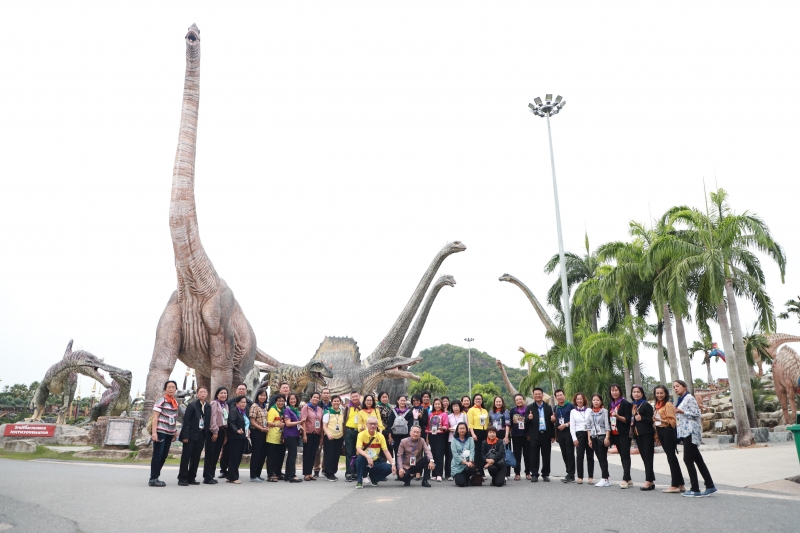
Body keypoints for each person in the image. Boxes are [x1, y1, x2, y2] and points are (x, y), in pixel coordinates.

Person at [673, 380, 716, 497]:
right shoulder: (681, 400)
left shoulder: (689, 398)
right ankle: (710, 485)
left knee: (688, 459)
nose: (675, 388)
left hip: (691, 432)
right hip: (685, 432)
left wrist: (682, 411)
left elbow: (697, 413)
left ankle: (695, 489)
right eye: (674, 387)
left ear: (684, 387)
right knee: (698, 460)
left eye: (677, 386)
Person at [653, 385, 685, 493]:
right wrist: (657, 436)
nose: (659, 395)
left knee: (671, 458)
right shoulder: (657, 405)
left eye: (661, 393)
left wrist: (661, 420)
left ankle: (674, 484)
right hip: (661, 432)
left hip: (668, 432)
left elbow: (672, 422)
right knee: (671, 458)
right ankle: (681, 484)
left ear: (666, 393)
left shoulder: (668, 404)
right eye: (657, 393)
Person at [149, 380, 179, 487]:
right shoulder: (161, 400)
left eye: (173, 387)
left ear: (176, 389)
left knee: (164, 455)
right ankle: (153, 478)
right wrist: (154, 432)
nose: (171, 389)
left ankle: (156, 476)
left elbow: (174, 418)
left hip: (169, 433)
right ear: (165, 389)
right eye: (169, 387)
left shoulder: (175, 402)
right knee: (158, 454)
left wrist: (175, 432)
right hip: (161, 431)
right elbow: (155, 417)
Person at [219, 383, 252, 479]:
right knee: (226, 452)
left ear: (246, 391)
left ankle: (232, 471)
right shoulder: (229, 402)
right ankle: (223, 470)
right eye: (240, 389)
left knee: (237, 454)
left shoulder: (249, 403)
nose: (241, 391)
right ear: (236, 391)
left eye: (243, 389)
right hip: (231, 433)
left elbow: (248, 418)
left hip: (242, 433)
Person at [178, 386, 209, 486]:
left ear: (207, 394)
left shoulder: (208, 406)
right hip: (190, 435)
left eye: (205, 392)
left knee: (196, 457)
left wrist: (206, 436)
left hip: (201, 434)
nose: (203, 394)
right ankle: (182, 478)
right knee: (186, 457)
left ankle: (192, 477)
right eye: (201, 392)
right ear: (197, 394)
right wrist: (185, 435)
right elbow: (186, 421)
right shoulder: (192, 405)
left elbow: (207, 422)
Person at [354, 416, 396, 488]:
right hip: (364, 460)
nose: (373, 426)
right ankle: (359, 481)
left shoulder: (380, 436)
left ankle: (374, 478)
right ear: (367, 424)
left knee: (390, 468)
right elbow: (358, 449)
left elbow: (386, 451)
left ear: (377, 425)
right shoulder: (361, 434)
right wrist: (368, 457)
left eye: (375, 424)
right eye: (370, 424)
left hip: (375, 461)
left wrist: (393, 464)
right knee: (360, 458)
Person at [525, 387, 554, 482]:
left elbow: (551, 422)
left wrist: (552, 435)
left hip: (545, 434)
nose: (537, 395)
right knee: (534, 455)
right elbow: (525, 422)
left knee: (546, 455)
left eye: (539, 394)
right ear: (533, 396)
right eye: (535, 394)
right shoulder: (529, 407)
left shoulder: (548, 407)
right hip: (534, 435)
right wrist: (529, 418)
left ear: (542, 395)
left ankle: (545, 474)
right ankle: (534, 474)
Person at [630, 384, 656, 491]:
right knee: (644, 457)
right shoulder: (632, 406)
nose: (636, 394)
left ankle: (648, 480)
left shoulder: (646, 405)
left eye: (638, 392)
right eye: (634, 392)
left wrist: (642, 418)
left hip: (647, 434)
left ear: (642, 393)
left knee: (648, 457)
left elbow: (651, 420)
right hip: (637, 434)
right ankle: (651, 480)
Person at [608, 383, 633, 488]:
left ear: (620, 391)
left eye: (616, 390)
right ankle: (629, 478)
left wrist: (618, 416)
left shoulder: (625, 403)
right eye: (612, 390)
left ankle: (625, 479)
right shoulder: (610, 404)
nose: (614, 392)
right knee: (622, 456)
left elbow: (627, 420)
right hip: (614, 434)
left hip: (624, 433)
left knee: (625, 455)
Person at [202, 387, 229, 484]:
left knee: (216, 454)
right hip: (214, 431)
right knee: (210, 454)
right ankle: (207, 477)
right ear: (217, 394)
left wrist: (225, 434)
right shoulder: (214, 403)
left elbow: (225, 420)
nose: (223, 395)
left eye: (225, 393)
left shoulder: (225, 405)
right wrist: (215, 431)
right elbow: (212, 418)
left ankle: (211, 475)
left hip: (222, 431)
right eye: (221, 393)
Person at [569, 392, 594, 485]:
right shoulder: (573, 412)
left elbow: (592, 423)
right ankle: (580, 477)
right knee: (579, 456)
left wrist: (591, 437)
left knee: (590, 456)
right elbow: (572, 426)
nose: (579, 400)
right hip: (579, 434)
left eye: (581, 399)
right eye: (577, 399)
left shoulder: (590, 410)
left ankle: (590, 477)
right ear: (575, 401)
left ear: (584, 400)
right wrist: (574, 438)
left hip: (589, 434)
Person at [587, 393, 611, 487]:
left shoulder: (604, 411)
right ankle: (607, 478)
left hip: (602, 437)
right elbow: (588, 426)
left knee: (603, 458)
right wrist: (589, 439)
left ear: (601, 401)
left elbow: (607, 425)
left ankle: (604, 478)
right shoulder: (591, 412)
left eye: (597, 400)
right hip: (593, 437)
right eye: (594, 400)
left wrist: (607, 437)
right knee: (599, 458)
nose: (595, 402)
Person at [225, 395, 250, 484]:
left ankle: (229, 475)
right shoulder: (234, 411)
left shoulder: (244, 412)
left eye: (245, 402)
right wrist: (236, 430)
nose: (244, 404)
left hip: (242, 437)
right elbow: (231, 422)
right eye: (242, 402)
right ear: (237, 403)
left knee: (238, 457)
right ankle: (234, 477)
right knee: (235, 457)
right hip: (235, 437)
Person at [552, 389, 575, 483]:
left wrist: (566, 424)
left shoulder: (571, 406)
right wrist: (553, 420)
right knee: (564, 453)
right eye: (557, 396)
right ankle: (568, 472)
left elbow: (574, 419)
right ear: (555, 397)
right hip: (560, 432)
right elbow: (554, 420)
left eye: (561, 395)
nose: (559, 397)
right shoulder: (555, 408)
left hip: (569, 431)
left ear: (564, 396)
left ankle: (571, 474)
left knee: (570, 453)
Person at [248, 388, 269, 482]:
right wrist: (261, 429)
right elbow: (252, 422)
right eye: (261, 395)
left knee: (262, 453)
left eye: (264, 395)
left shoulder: (265, 407)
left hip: (264, 432)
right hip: (257, 432)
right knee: (256, 453)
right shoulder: (254, 406)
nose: (262, 397)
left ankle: (258, 474)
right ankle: (253, 475)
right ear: (257, 396)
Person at [426, 398, 449, 482]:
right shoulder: (430, 415)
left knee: (439, 455)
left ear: (441, 405)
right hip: (432, 435)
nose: (437, 405)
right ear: (433, 405)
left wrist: (442, 427)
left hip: (440, 436)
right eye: (436, 404)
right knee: (433, 455)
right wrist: (427, 437)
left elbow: (446, 425)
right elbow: (428, 427)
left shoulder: (444, 414)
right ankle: (434, 474)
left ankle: (439, 474)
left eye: (439, 404)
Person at [283, 392, 305, 483]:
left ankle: (288, 475)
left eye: (294, 399)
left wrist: (300, 427)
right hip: (289, 435)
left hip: (295, 435)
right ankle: (292, 475)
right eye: (291, 399)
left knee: (291, 455)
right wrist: (300, 422)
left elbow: (296, 422)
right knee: (292, 455)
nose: (293, 400)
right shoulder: (287, 410)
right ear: (288, 400)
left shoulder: (295, 410)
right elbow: (288, 423)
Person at [301, 392, 323, 481]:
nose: (316, 399)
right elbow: (303, 421)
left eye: (318, 397)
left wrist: (321, 437)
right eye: (314, 397)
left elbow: (321, 423)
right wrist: (304, 435)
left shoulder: (320, 409)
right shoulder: (306, 407)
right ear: (311, 397)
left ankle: (310, 473)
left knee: (313, 454)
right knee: (307, 453)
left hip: (316, 434)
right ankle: (306, 473)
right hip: (308, 433)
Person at [322, 395, 345, 481]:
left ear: (340, 402)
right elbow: (324, 425)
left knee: (336, 455)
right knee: (329, 455)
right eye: (334, 401)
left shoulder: (342, 411)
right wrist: (328, 434)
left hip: (339, 437)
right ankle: (329, 473)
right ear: (331, 402)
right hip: (330, 437)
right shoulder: (327, 412)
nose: (336, 403)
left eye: (338, 401)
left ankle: (333, 472)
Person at [509, 393, 531, 481]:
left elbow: (531, 423)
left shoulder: (529, 410)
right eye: (517, 400)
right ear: (515, 402)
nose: (519, 401)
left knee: (528, 455)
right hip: (516, 436)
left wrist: (529, 434)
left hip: (527, 436)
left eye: (520, 399)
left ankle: (528, 473)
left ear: (523, 400)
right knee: (517, 455)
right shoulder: (513, 411)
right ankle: (517, 473)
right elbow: (510, 423)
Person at [342, 391, 362, 482]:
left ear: (359, 397)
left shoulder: (362, 407)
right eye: (353, 397)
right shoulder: (347, 407)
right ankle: (349, 473)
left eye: (356, 396)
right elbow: (344, 419)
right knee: (349, 453)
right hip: (349, 431)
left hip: (360, 432)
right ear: (351, 398)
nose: (355, 398)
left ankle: (356, 472)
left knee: (358, 453)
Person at [265, 395, 286, 482]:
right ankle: (270, 474)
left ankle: (278, 472)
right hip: (272, 436)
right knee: (271, 456)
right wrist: (278, 425)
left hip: (280, 437)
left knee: (280, 456)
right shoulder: (272, 410)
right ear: (275, 401)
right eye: (279, 401)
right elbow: (269, 422)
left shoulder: (283, 410)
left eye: (282, 401)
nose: (281, 402)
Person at [388, 395, 414, 462]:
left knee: (405, 452)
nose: (402, 402)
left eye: (404, 400)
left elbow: (411, 425)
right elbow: (390, 424)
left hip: (405, 436)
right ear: (398, 401)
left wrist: (410, 436)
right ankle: (398, 469)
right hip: (395, 436)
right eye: (401, 400)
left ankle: (404, 469)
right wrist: (390, 436)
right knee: (397, 452)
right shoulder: (393, 411)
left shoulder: (409, 412)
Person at [468, 393, 489, 476]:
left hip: (484, 432)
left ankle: (482, 469)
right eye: (476, 399)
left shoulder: (484, 410)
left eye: (480, 399)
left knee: (483, 451)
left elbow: (487, 423)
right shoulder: (471, 410)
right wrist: (473, 434)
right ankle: (477, 470)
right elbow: (470, 423)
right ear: (474, 400)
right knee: (476, 452)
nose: (478, 400)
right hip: (476, 432)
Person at [314, 388, 333, 479]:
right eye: (324, 393)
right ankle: (316, 469)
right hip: (318, 429)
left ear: (329, 395)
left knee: (327, 451)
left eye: (327, 393)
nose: (326, 395)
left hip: (329, 430)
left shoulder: (332, 405)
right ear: (321, 395)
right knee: (317, 450)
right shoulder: (317, 404)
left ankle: (325, 469)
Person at [450, 422, 476, 487]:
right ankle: (460, 478)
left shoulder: (470, 439)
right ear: (457, 430)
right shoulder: (453, 440)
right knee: (461, 483)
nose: (462, 430)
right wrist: (466, 463)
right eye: (460, 428)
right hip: (457, 465)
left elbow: (472, 452)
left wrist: (470, 462)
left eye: (463, 428)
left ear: (466, 430)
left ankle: (467, 478)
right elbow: (455, 455)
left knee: (471, 468)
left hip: (468, 464)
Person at [447, 400, 467, 481]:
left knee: (462, 455)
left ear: (460, 407)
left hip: (462, 439)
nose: (455, 408)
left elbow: (467, 426)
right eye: (454, 406)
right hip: (452, 438)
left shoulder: (464, 416)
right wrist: (449, 429)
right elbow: (446, 426)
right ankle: (452, 473)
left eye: (457, 406)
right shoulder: (449, 416)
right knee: (451, 457)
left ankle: (462, 471)